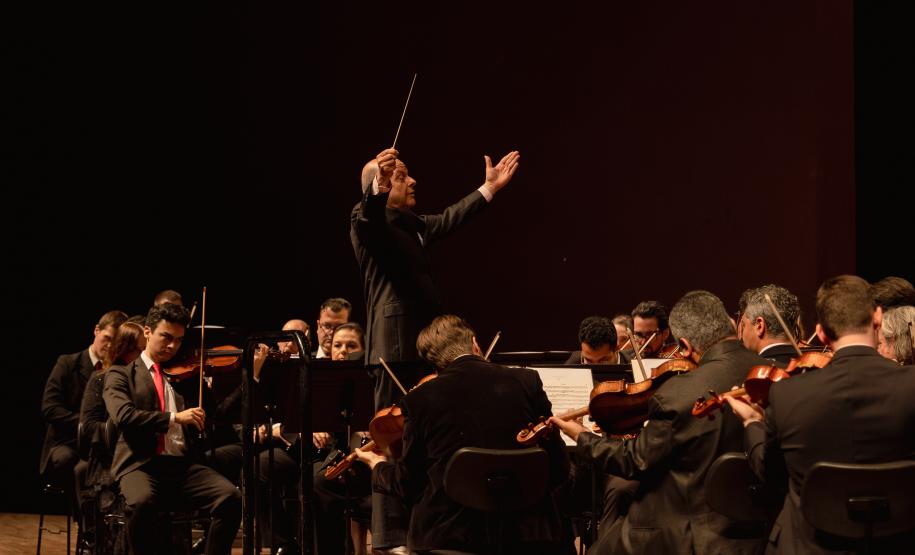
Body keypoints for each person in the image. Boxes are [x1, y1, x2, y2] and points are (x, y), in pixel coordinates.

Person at [549, 291, 768, 554]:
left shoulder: (676, 393)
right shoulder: (771, 373)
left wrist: (582, 436)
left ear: (684, 347)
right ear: (731, 325)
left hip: (689, 529)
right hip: (759, 523)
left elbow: (635, 461)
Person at [727, 275, 915, 553]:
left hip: (809, 545)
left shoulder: (788, 395)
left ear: (822, 333)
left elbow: (772, 478)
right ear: (877, 318)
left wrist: (752, 422)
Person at [354, 315, 570, 554]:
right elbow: (558, 468)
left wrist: (379, 467)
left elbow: (409, 484)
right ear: (475, 344)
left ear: (433, 365)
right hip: (526, 532)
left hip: (449, 536)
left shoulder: (420, 399)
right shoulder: (527, 381)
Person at [351, 147, 520, 410]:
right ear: (382, 183)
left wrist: (489, 187)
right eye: (401, 177)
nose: (412, 181)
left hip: (425, 346)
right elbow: (369, 220)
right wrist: (377, 189)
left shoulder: (412, 223)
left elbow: (449, 217)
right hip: (395, 349)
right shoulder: (364, 218)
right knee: (393, 431)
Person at [103, 303, 241, 555]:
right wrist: (175, 417)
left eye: (178, 340)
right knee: (142, 502)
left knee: (230, 498)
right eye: (166, 337)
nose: (172, 346)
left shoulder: (186, 377)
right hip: (140, 464)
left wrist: (250, 379)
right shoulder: (120, 375)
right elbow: (125, 416)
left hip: (182, 466)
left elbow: (219, 416)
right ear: (147, 331)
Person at [41, 309, 127, 522]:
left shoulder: (117, 371)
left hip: (98, 444)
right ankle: (87, 527)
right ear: (96, 331)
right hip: (66, 442)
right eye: (106, 338)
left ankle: (109, 527)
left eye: (115, 342)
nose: (109, 346)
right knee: (76, 465)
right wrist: (84, 424)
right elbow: (50, 408)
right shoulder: (68, 363)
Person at [737, 284, 803, 367]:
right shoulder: (811, 367)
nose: (741, 334)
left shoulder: (751, 371)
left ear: (759, 326)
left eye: (743, 325)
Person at [564, 316, 628, 365]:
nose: (595, 369)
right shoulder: (573, 362)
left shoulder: (634, 367)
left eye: (603, 361)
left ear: (617, 348)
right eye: (588, 361)